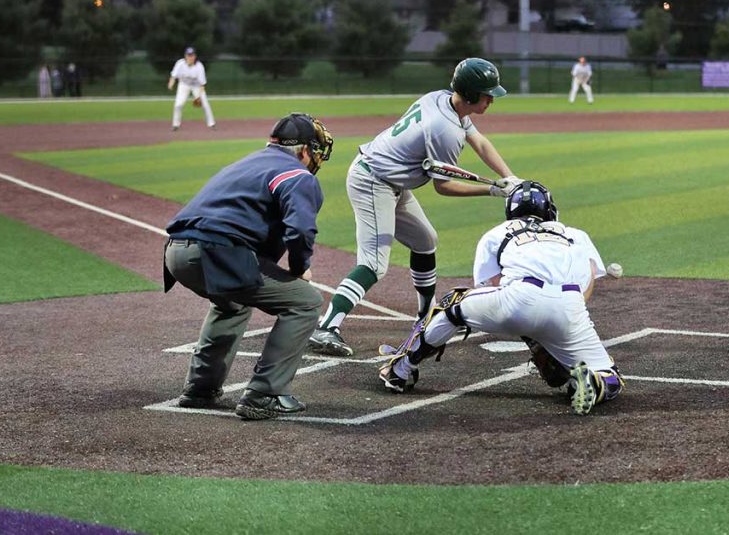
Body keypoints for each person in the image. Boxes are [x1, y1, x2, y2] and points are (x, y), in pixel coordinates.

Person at [308, 57, 524, 358]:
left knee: (425, 241)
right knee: (373, 263)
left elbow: (480, 141)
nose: (491, 99)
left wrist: (509, 177)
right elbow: (443, 186)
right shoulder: (443, 130)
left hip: (393, 180)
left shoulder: (442, 99)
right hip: (373, 180)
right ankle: (327, 327)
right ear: (471, 94)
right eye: (487, 94)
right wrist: (490, 190)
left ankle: (426, 316)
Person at [378, 181, 625, 416]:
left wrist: (530, 331)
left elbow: (490, 287)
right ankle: (594, 382)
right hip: (571, 307)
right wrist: (551, 336)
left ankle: (400, 369)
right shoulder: (576, 234)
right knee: (611, 374)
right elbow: (587, 282)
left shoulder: (498, 232)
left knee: (453, 304)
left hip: (519, 299)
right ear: (550, 209)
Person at [163, 113, 334, 420]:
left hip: (175, 253)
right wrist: (299, 268)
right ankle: (265, 394)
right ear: (304, 151)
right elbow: (300, 231)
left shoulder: (246, 163)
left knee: (232, 303)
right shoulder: (298, 175)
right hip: (217, 252)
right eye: (315, 150)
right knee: (306, 302)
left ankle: (200, 389)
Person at [168, 46, 216, 130]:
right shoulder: (180, 64)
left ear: (195, 56)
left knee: (205, 104)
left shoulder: (199, 66)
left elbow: (202, 84)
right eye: (188, 55)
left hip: (196, 86)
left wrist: (198, 97)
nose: (190, 57)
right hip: (184, 84)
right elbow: (173, 75)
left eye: (192, 55)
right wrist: (171, 84)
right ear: (185, 56)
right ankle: (175, 125)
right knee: (178, 105)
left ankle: (211, 124)